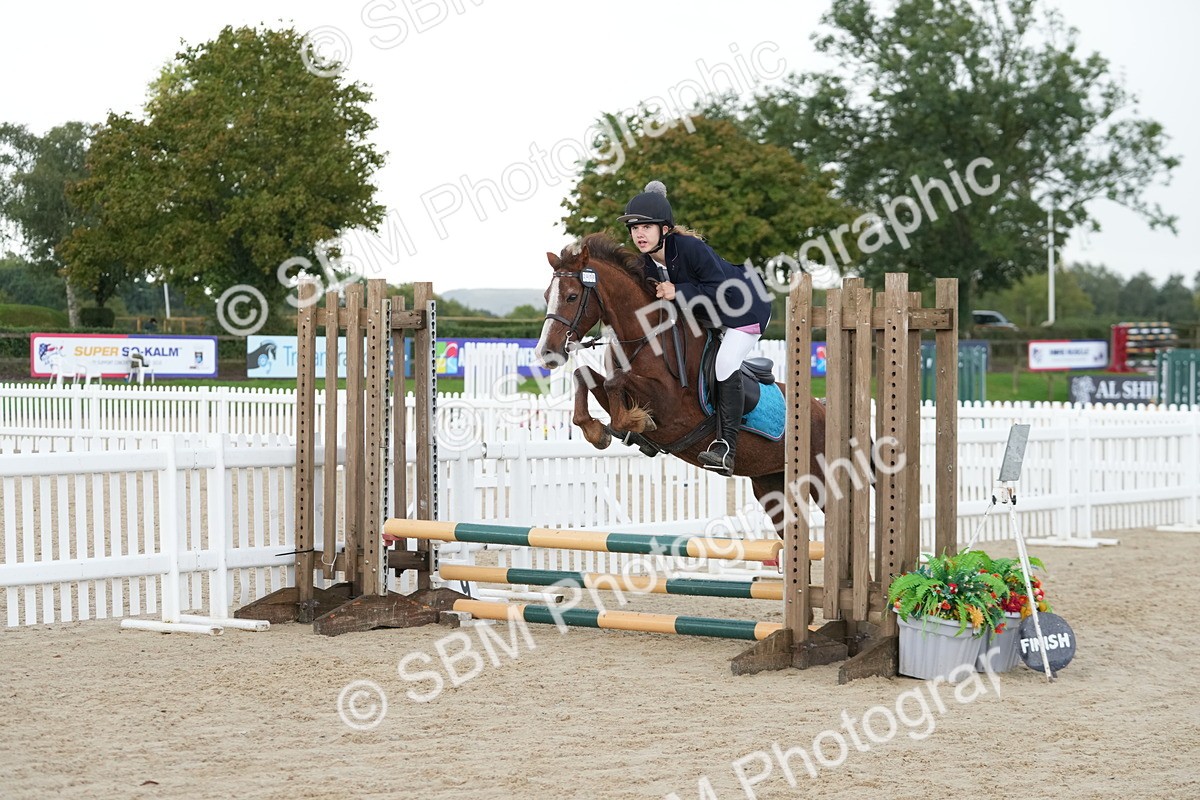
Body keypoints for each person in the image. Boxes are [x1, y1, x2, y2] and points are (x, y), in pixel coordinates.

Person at [616, 180, 771, 477]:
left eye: (646, 227)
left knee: (725, 364)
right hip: (708, 316)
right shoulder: (646, 264)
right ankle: (648, 430)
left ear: (664, 229)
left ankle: (726, 447)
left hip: (744, 308)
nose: (639, 234)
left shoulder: (690, 248)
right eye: (634, 228)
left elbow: (722, 291)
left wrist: (679, 291)